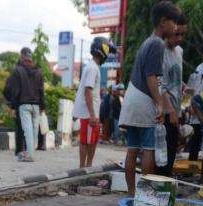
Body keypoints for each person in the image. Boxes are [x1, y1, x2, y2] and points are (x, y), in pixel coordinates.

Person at [118, 0, 181, 194]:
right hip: (144, 100)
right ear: (163, 22)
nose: (176, 27)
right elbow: (152, 77)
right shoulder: (157, 44)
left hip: (132, 98)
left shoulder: (148, 41)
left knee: (132, 150)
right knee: (148, 150)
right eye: (174, 22)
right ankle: (145, 195)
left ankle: (130, 193)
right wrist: (160, 105)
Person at [72, 37, 111, 167]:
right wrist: (92, 114)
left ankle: (86, 167)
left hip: (89, 112)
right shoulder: (93, 68)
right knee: (87, 141)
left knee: (91, 140)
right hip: (89, 114)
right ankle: (85, 168)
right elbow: (87, 91)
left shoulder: (91, 67)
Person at [157, 14, 187, 176]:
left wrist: (183, 85)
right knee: (162, 156)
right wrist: (171, 111)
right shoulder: (160, 50)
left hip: (176, 109)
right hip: (165, 111)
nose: (179, 38)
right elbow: (161, 85)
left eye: (183, 34)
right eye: (177, 34)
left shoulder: (179, 51)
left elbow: (173, 77)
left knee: (171, 153)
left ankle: (165, 189)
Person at [5, 47, 44, 162]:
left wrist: (13, 107)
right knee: (34, 131)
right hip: (36, 105)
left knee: (27, 131)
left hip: (24, 105)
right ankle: (30, 153)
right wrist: (43, 106)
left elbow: (15, 90)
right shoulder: (39, 71)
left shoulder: (18, 70)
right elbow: (41, 90)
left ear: (21, 57)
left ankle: (29, 155)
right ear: (31, 57)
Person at [186, 40, 203, 160]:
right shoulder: (199, 68)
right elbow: (193, 89)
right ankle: (192, 161)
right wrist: (190, 104)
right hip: (197, 106)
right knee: (196, 137)